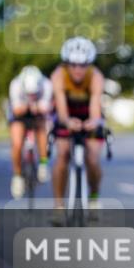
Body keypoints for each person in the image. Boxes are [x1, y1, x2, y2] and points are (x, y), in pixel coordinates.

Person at [50, 37, 106, 212]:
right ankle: (59, 205)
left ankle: (94, 197)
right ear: (66, 64)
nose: (78, 69)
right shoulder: (58, 75)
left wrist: (94, 122)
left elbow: (96, 106)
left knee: (93, 159)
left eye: (83, 65)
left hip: (88, 114)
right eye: (73, 65)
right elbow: (60, 107)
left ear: (89, 64)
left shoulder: (96, 76)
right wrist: (67, 122)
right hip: (66, 114)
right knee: (62, 155)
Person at [7, 65, 54, 198]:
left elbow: (46, 108)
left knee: (42, 129)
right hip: (20, 114)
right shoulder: (15, 85)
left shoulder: (46, 84)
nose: (32, 96)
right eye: (29, 94)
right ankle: (17, 177)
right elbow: (16, 110)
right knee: (16, 143)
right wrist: (30, 106)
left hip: (38, 114)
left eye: (34, 94)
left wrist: (37, 107)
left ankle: (43, 164)